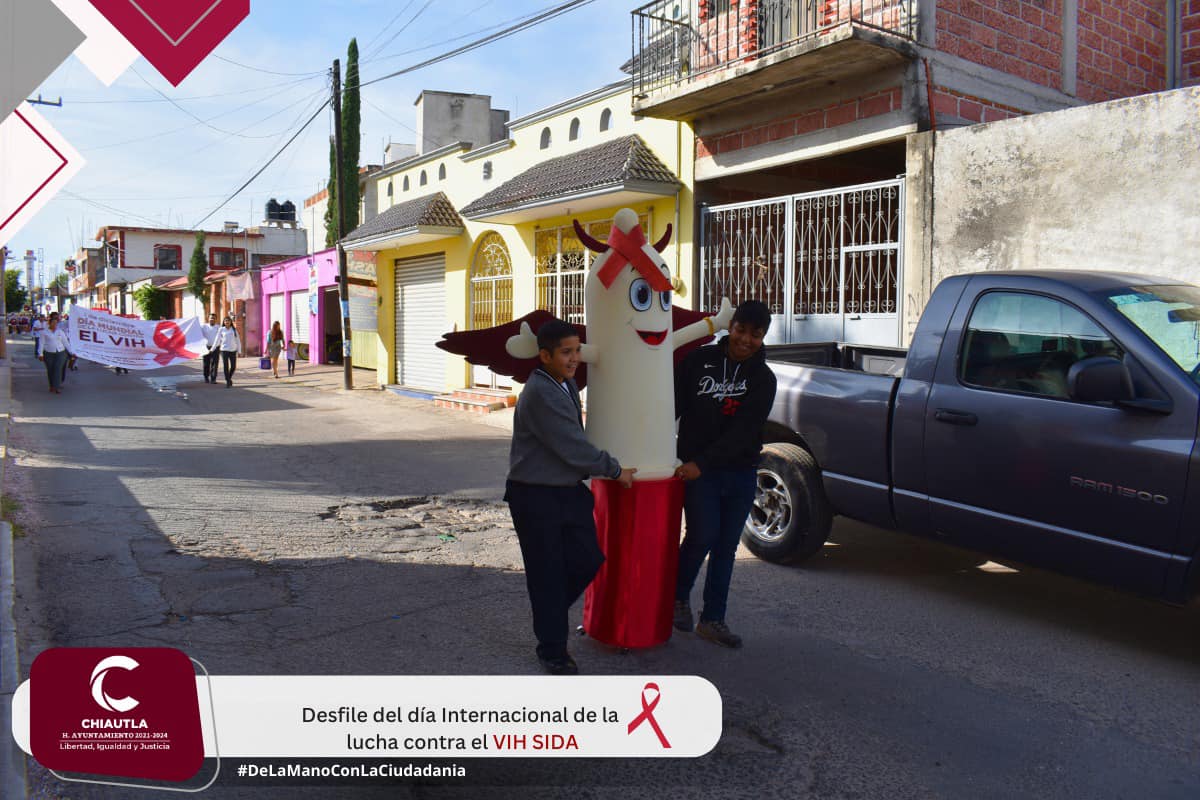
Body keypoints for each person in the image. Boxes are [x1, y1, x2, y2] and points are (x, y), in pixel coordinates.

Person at [505, 318, 636, 675]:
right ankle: (552, 649)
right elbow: (572, 447)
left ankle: (548, 614)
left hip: (565, 491)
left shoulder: (564, 382)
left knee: (587, 559)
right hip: (535, 496)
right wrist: (614, 469)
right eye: (566, 352)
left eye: (577, 350)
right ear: (544, 355)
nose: (575, 358)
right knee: (547, 574)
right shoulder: (542, 392)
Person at [672, 300, 777, 649]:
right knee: (702, 535)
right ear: (730, 326)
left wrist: (703, 461)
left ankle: (713, 620)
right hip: (698, 472)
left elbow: (745, 432)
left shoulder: (763, 379)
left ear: (763, 337)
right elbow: (670, 405)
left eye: (755, 335)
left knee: (726, 549)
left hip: (740, 472)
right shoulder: (698, 361)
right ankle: (676, 599)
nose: (746, 340)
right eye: (741, 330)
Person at [38, 313, 71, 394]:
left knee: (58, 368)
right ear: (49, 323)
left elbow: (66, 343)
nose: (55, 325)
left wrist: (72, 352)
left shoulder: (60, 332)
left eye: (56, 323)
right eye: (53, 323)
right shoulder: (44, 332)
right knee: (50, 369)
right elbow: (41, 343)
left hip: (60, 353)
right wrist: (40, 354)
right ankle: (52, 385)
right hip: (48, 353)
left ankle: (56, 387)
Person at [215, 316, 240, 387]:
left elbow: (238, 340)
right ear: (224, 322)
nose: (227, 322)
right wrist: (212, 348)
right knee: (226, 366)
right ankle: (228, 381)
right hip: (224, 350)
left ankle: (228, 378)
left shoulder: (234, 330)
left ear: (231, 322)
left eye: (228, 321)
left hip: (233, 350)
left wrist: (239, 350)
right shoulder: (221, 329)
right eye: (225, 321)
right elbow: (217, 339)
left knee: (233, 367)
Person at [200, 313, 221, 383]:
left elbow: (221, 337)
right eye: (211, 318)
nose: (212, 319)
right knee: (206, 363)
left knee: (215, 363)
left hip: (215, 347)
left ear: (216, 319)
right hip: (205, 347)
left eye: (214, 318)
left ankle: (213, 378)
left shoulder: (219, 327)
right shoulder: (203, 327)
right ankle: (206, 377)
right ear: (208, 319)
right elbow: (198, 334)